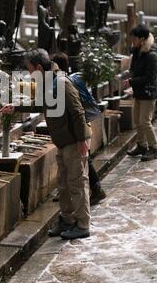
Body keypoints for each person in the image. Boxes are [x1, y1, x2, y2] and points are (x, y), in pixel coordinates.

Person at [25, 49, 91, 240]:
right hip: (62, 142)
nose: (29, 75)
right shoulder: (47, 84)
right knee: (63, 185)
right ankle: (67, 219)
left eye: (30, 70)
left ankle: (83, 224)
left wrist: (81, 140)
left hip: (73, 141)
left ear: (38, 67)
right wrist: (15, 107)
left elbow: (78, 113)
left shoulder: (60, 83)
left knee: (77, 183)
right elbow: (40, 104)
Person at [51, 52, 107, 206]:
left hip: (80, 127)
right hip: (82, 126)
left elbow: (76, 111)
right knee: (85, 161)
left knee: (84, 162)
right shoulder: (69, 79)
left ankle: (96, 190)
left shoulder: (65, 83)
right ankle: (93, 190)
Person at [125, 25, 157, 162]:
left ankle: (153, 148)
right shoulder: (137, 52)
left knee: (145, 121)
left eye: (134, 38)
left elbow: (149, 78)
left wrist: (132, 82)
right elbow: (133, 70)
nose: (132, 40)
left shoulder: (151, 55)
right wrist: (131, 79)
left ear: (142, 39)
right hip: (138, 92)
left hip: (148, 93)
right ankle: (141, 146)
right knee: (137, 121)